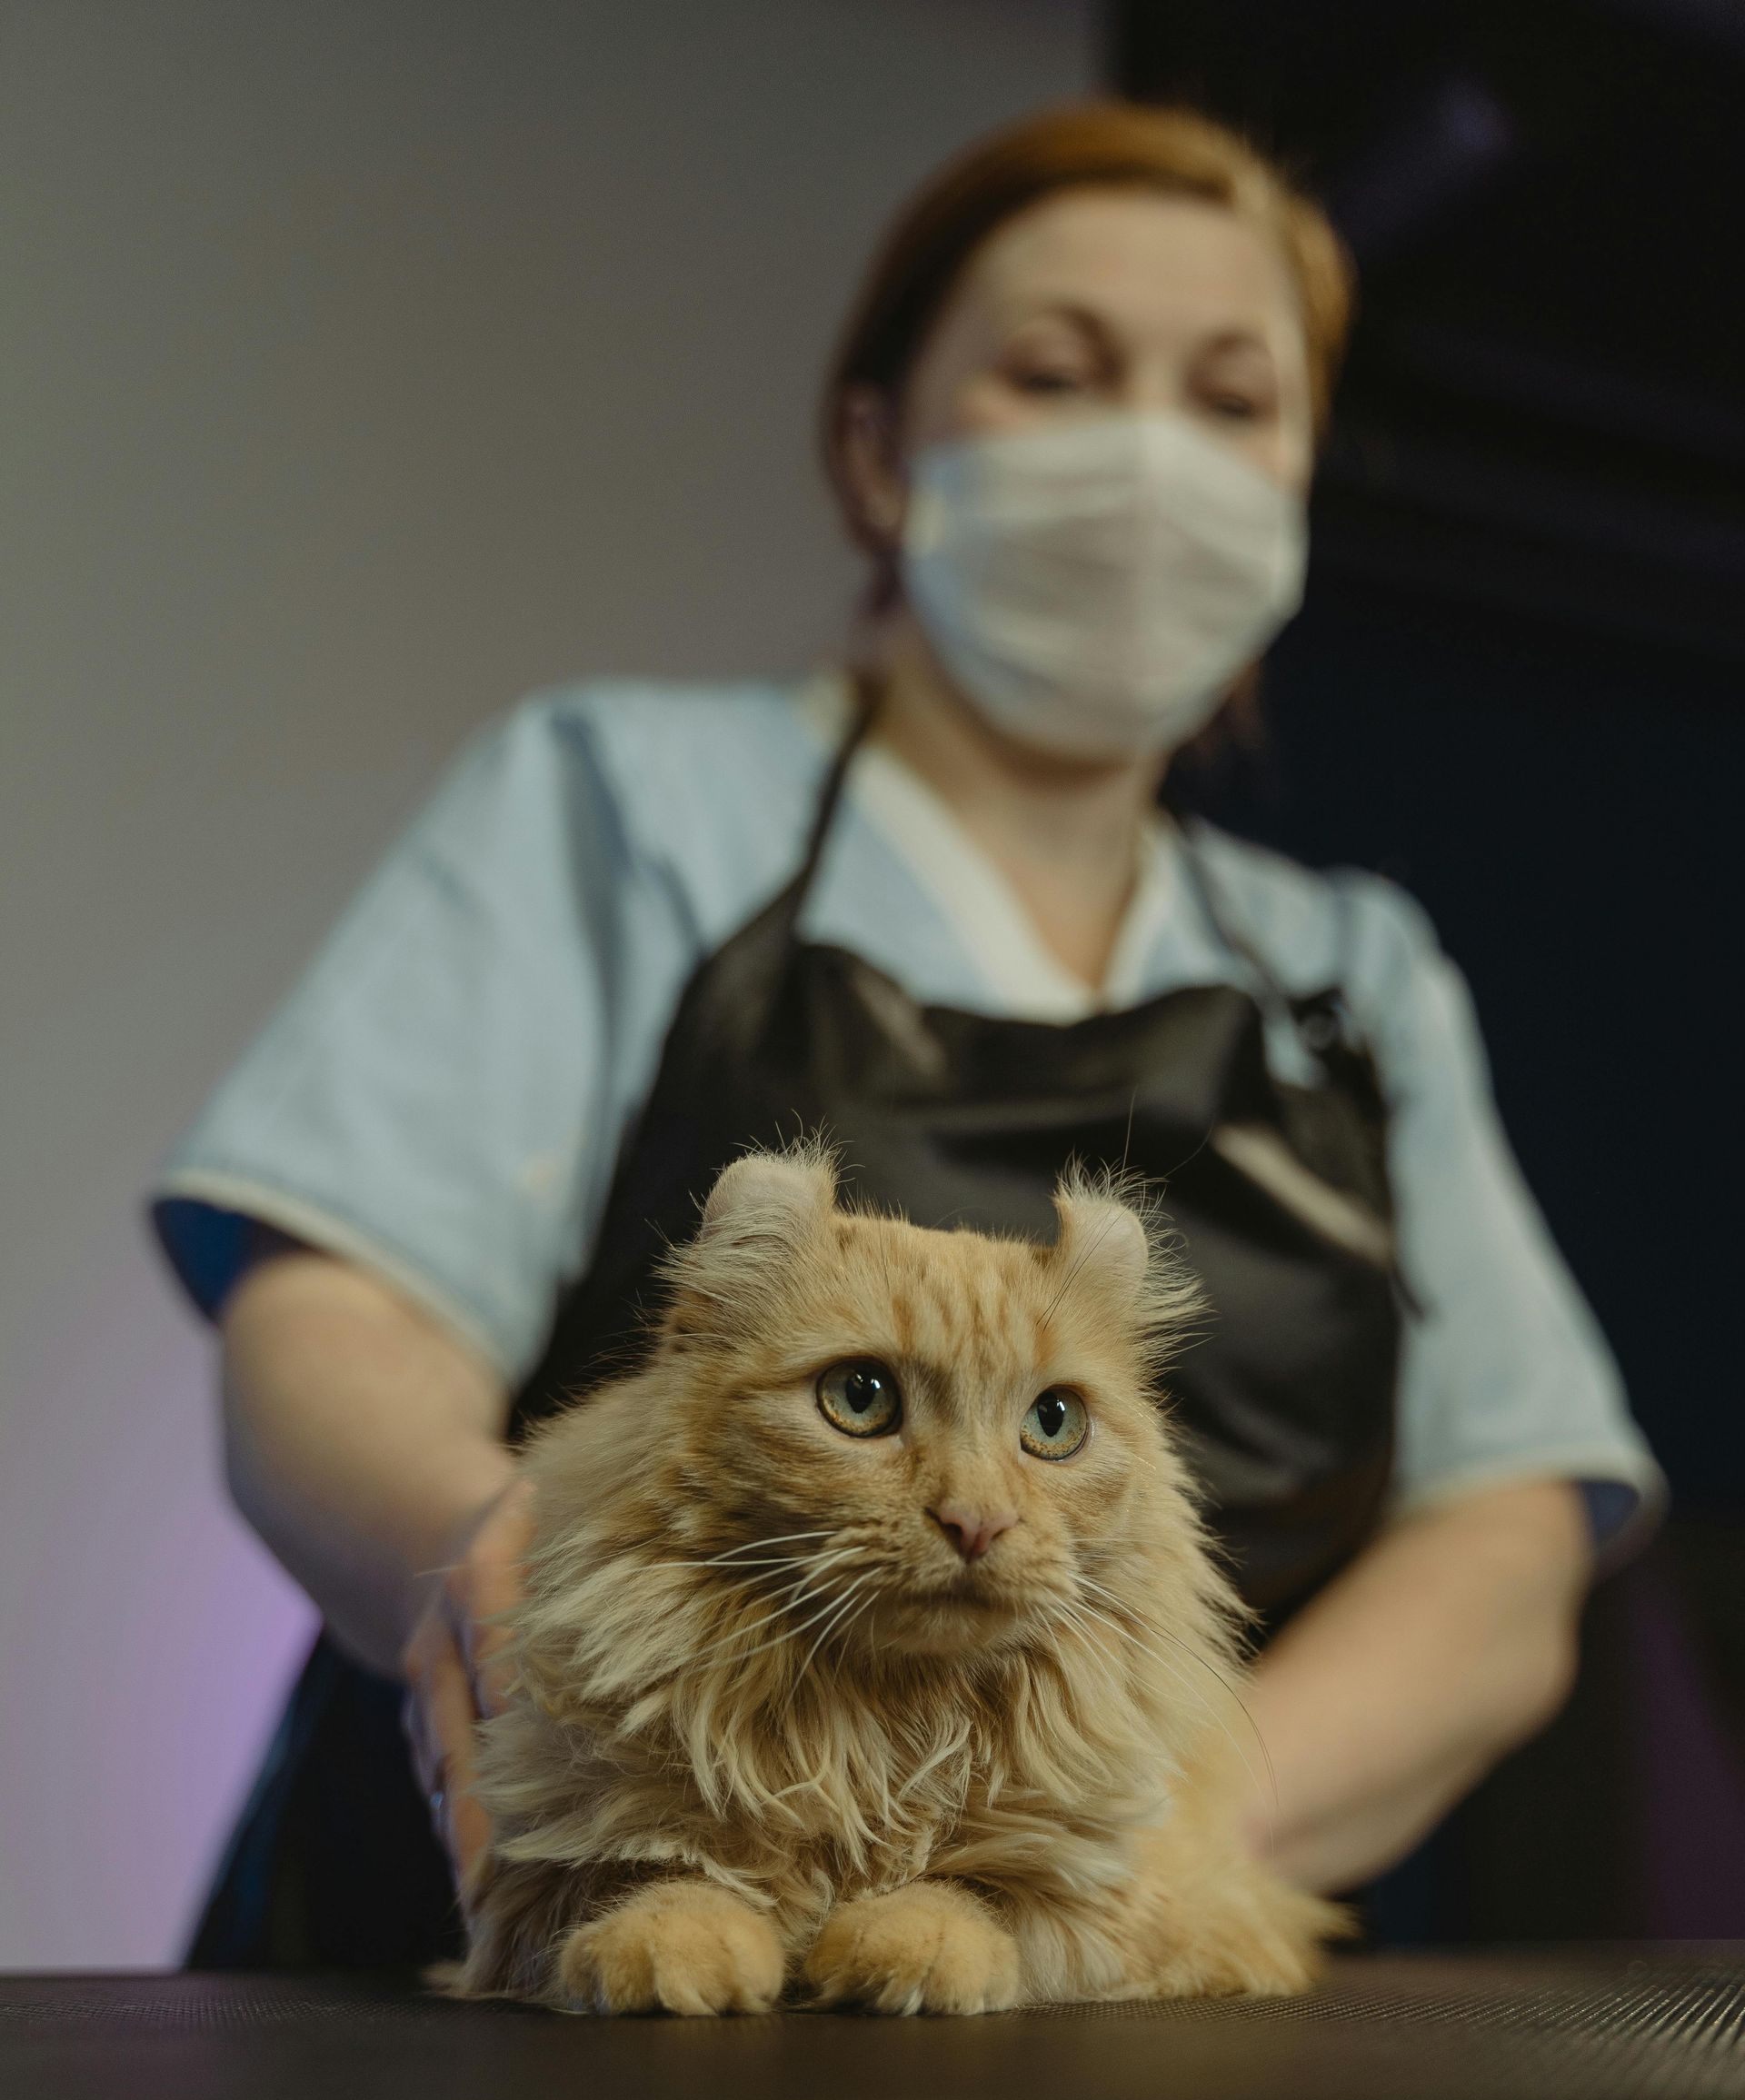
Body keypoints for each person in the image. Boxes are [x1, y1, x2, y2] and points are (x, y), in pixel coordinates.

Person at [153, 100, 1660, 1969]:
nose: (1150, 460)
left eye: (1233, 401)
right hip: (524, 1961)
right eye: (1058, 372)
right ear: (879, 455)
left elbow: (1508, 1542)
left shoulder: (1355, 974)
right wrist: (490, 1581)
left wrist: (1110, 1835)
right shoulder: (625, 797)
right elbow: (331, 1325)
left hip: (1111, 2008)